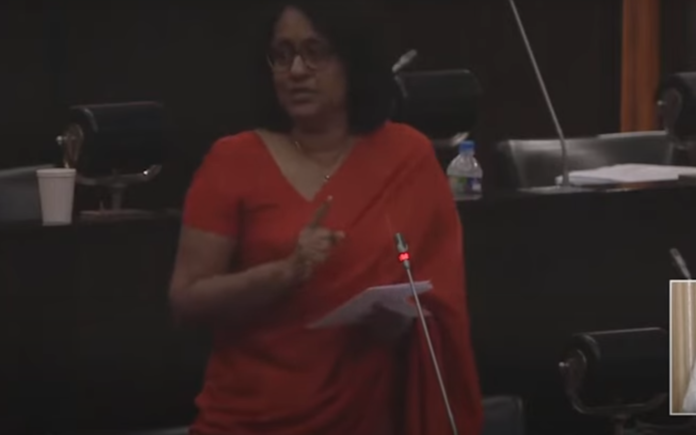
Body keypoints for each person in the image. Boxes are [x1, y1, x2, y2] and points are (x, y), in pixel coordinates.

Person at [169, 1, 482, 434]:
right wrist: (285, 272)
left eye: (315, 52)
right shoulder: (232, 161)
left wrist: (399, 323)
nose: (296, 70)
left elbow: (438, 298)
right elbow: (186, 302)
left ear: (353, 59)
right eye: (282, 55)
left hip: (366, 418)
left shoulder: (406, 157)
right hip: (248, 419)